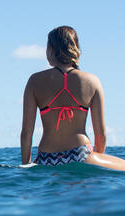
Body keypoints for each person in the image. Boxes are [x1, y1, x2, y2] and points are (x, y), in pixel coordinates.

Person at [20, 26, 125, 170]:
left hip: (45, 157)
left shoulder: (34, 81)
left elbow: (26, 132)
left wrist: (26, 166)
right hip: (80, 155)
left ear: (51, 50)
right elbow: (100, 134)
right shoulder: (92, 81)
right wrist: (97, 162)